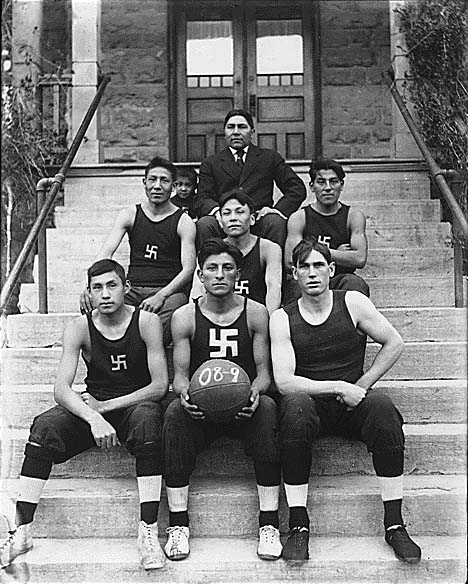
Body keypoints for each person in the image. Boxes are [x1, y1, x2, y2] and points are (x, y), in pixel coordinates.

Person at [1, 259, 169, 570]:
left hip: (135, 405)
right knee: (44, 427)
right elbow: (62, 390)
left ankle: (148, 531)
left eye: (112, 285)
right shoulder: (79, 327)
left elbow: (159, 386)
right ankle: (22, 530)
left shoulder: (146, 322)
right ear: (89, 294)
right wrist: (94, 417)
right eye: (97, 288)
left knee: (148, 421)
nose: (105, 294)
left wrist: (106, 408)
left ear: (126, 288)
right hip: (96, 406)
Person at [270, 239, 421, 563]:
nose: (312, 273)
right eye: (305, 267)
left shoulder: (352, 302)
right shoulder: (282, 317)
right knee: (294, 410)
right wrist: (339, 386)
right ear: (294, 273)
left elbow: (394, 342)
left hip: (352, 402)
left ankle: (394, 523)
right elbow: (284, 381)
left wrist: (362, 385)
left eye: (319, 266)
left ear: (331, 270)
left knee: (383, 410)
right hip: (312, 403)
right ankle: (298, 525)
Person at [163, 239, 282, 561]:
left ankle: (269, 523)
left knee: (269, 408)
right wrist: (185, 394)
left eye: (227, 268)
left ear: (238, 274)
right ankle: (178, 524)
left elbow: (264, 373)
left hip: (244, 406)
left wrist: (256, 392)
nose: (219, 275)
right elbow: (180, 376)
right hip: (201, 409)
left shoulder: (256, 313)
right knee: (174, 412)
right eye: (212, 268)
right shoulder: (184, 316)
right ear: (199, 275)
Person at [79, 156, 196, 347]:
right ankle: (109, 354)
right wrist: (90, 285)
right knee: (93, 301)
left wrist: (161, 295)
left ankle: (134, 353)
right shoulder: (130, 214)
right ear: (144, 183)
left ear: (173, 186)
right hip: (132, 288)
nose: (157, 186)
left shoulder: (183, 221)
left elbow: (188, 269)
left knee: (174, 312)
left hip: (167, 290)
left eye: (164, 180)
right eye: (152, 179)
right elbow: (105, 254)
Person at [195, 109, 306, 249]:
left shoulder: (269, 157)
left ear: (252, 132)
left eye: (242, 127)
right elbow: (202, 197)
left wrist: (276, 210)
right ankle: (211, 267)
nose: (235, 132)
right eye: (230, 127)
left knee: (275, 221)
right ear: (225, 132)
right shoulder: (211, 162)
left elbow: (296, 188)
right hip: (225, 220)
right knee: (205, 224)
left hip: (259, 219)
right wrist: (218, 212)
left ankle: (274, 267)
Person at [284, 158, 369, 304]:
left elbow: (360, 258)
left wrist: (311, 250)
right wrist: (336, 253)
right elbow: (290, 261)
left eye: (334, 181)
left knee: (355, 284)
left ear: (341, 185)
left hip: (340, 278)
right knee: (294, 286)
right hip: (309, 277)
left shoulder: (353, 216)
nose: (328, 187)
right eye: (321, 182)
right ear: (312, 186)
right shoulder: (299, 217)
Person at [191, 190, 282, 314]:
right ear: (221, 222)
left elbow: (274, 288)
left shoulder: (269, 249)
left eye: (240, 212)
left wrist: (269, 323)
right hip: (220, 316)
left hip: (256, 316)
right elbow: (197, 290)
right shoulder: (211, 249)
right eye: (227, 213)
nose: (233, 218)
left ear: (252, 219)